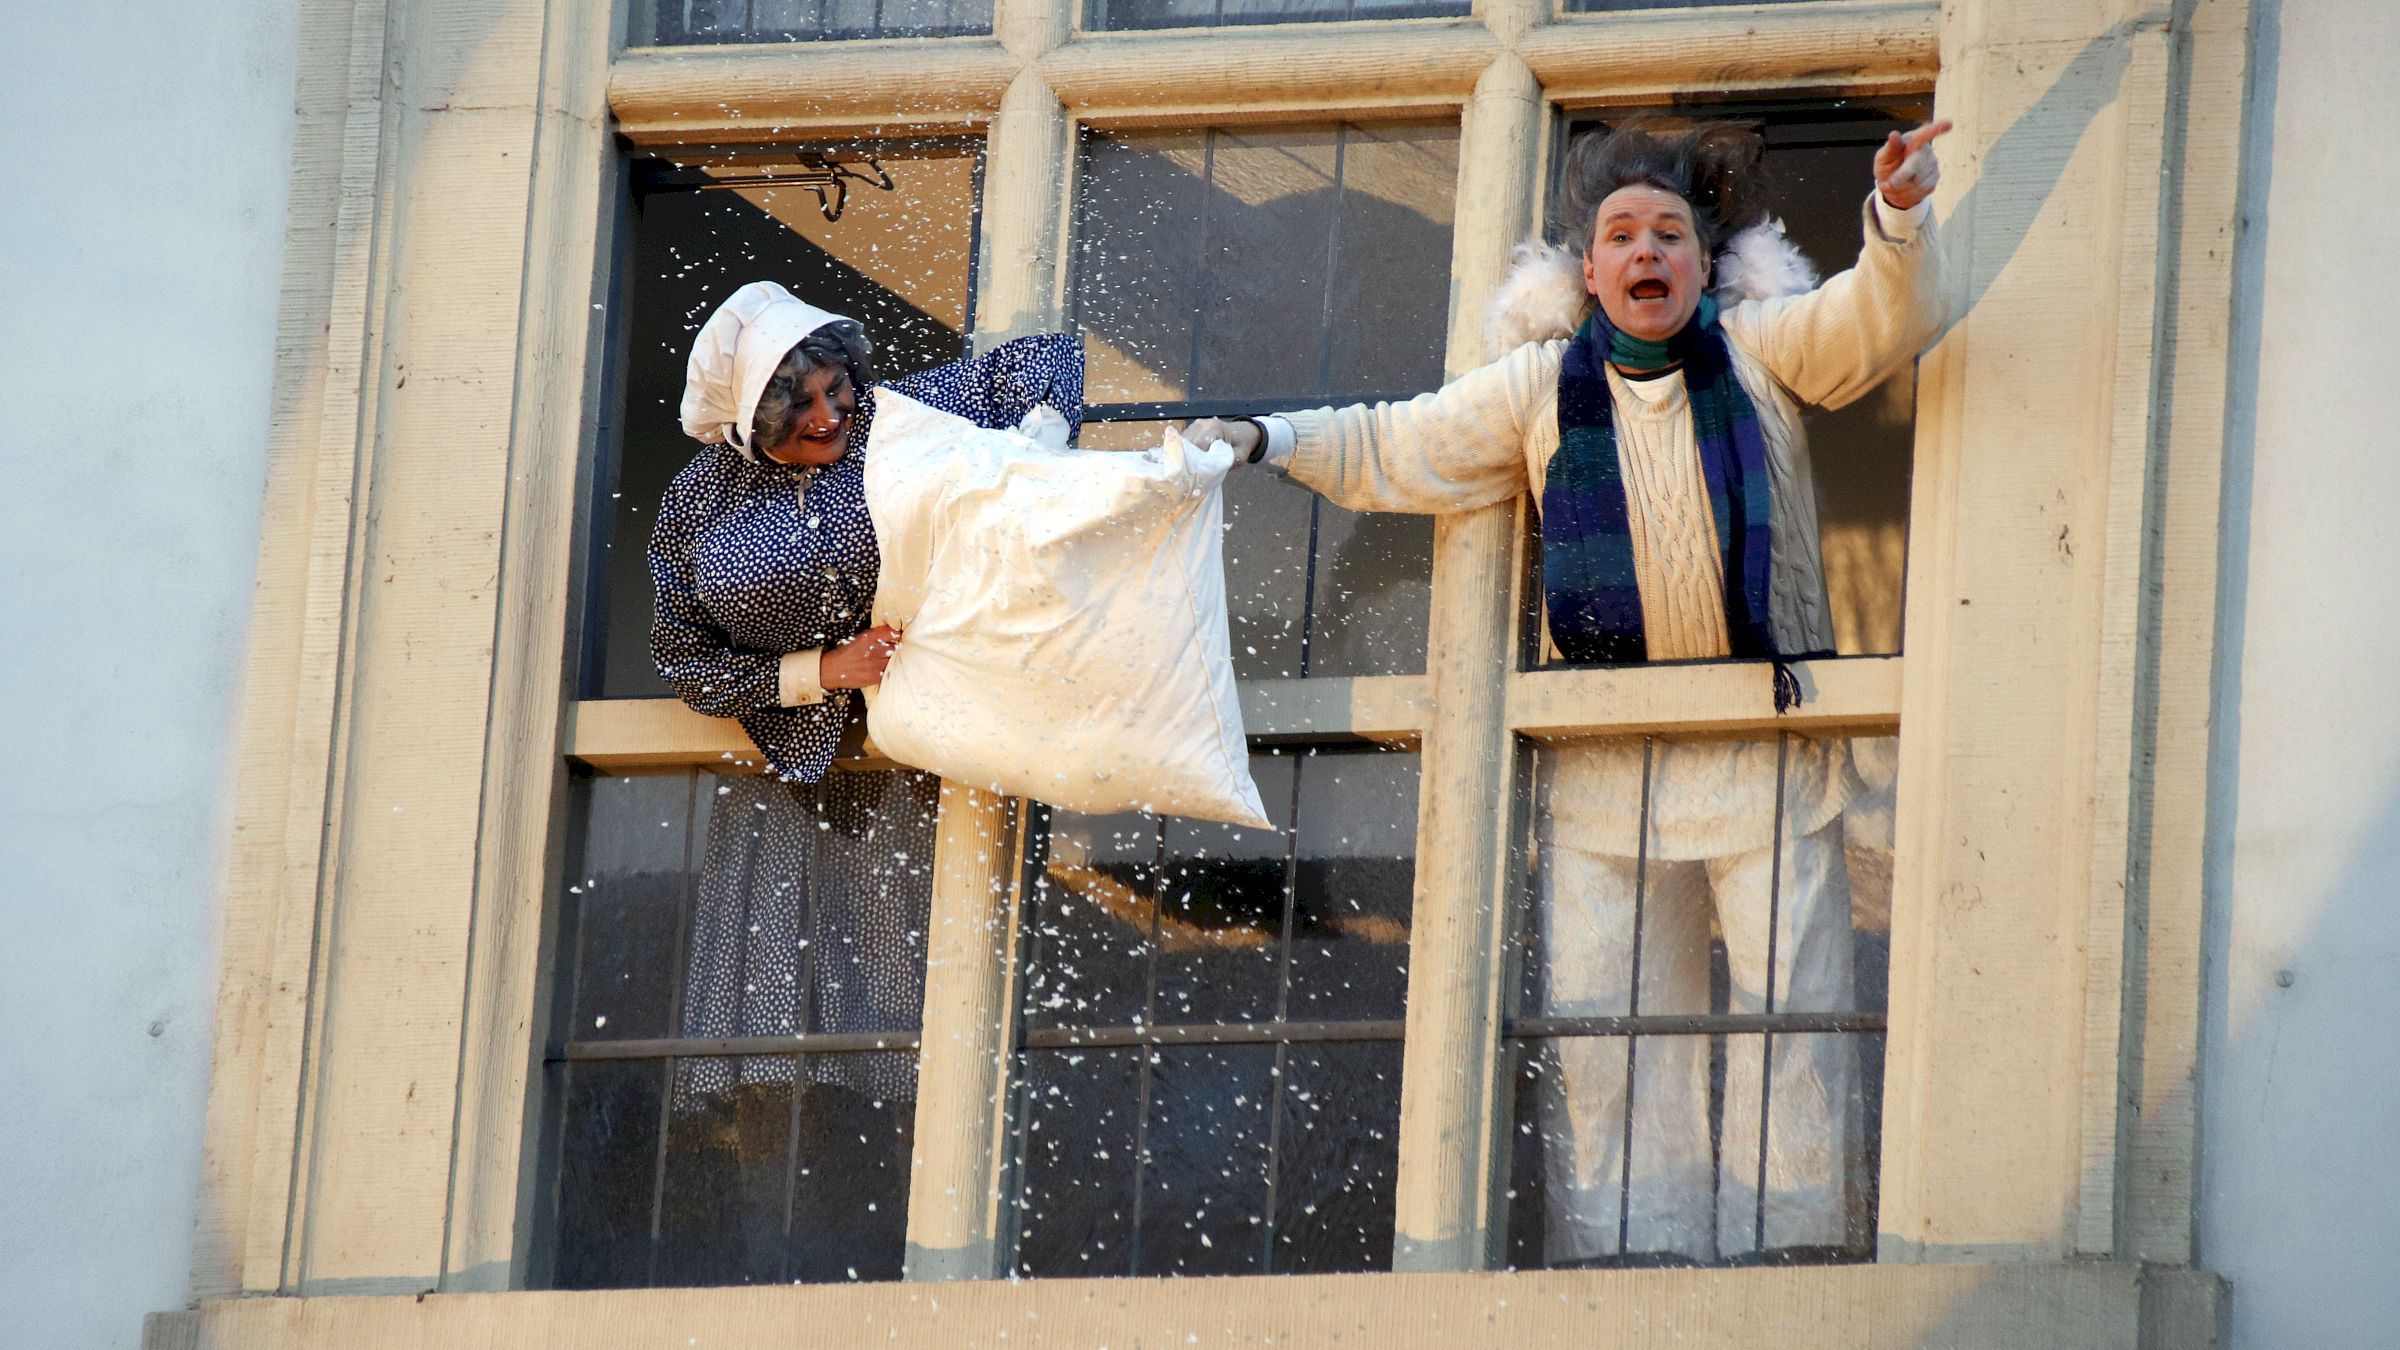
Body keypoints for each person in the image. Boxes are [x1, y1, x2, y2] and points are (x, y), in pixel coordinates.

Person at [1186, 116, 1952, 1262]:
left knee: (1792, 1021)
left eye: (1671, 235)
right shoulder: (1542, 384)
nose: (1647, 252)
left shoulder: (1760, 350)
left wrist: (1895, 218)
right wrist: (1266, 438)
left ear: (1706, 264)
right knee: (1607, 1033)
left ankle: (1791, 1253)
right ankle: (1627, 1255)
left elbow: (1870, 323)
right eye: (1622, 235)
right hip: (1603, 769)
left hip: (1772, 761)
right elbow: (1403, 443)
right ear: (1587, 273)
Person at [645, 283, 1083, 1278]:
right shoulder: (699, 498)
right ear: (753, 428)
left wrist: (1035, 463)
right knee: (781, 1046)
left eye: (838, 389)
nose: (833, 416)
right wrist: (817, 674)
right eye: (802, 411)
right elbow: (680, 654)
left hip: (921, 780)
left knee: (925, 1019)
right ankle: (783, 1261)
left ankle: (948, 1252)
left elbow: (1043, 363)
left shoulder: (902, 417)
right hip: (786, 789)